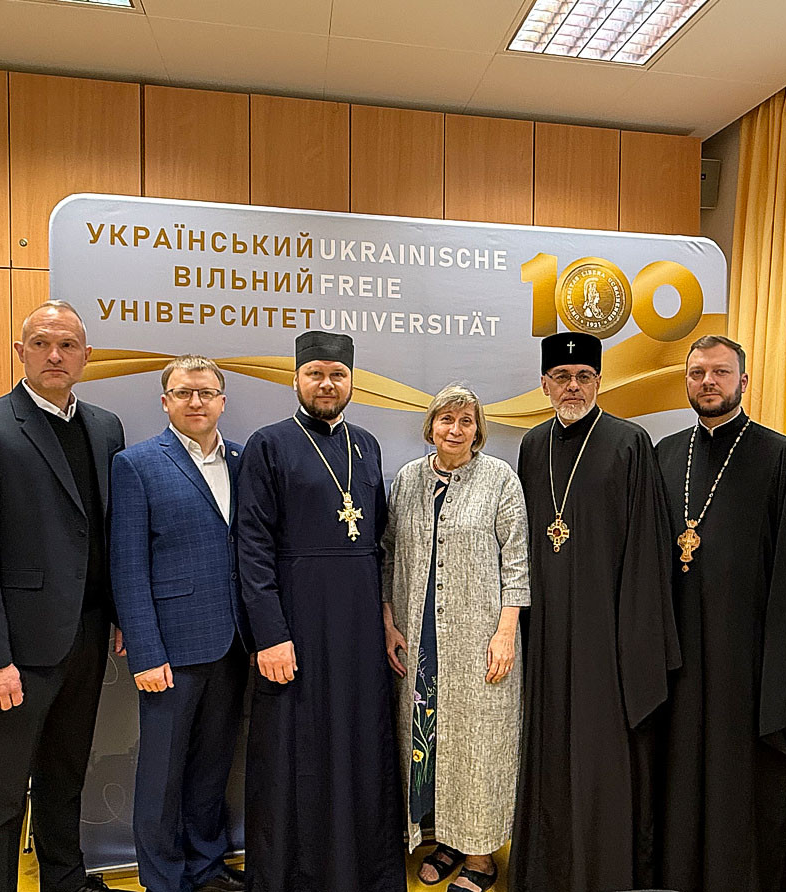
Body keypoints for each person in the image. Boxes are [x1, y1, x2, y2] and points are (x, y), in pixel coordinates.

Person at [0, 300, 125, 892]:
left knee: (65, 782)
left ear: (86, 356)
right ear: (21, 352)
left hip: (87, 637)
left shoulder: (105, 428)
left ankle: (64, 882)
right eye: (41, 343)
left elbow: (106, 532)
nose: (54, 355)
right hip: (14, 650)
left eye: (67, 345)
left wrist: (120, 615)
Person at [652, 334, 786, 892]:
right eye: (697, 372)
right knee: (677, 780)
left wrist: (782, 680)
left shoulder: (781, 457)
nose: (708, 382)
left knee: (744, 792)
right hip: (678, 657)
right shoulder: (664, 455)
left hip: (749, 665)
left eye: (720, 372)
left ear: (744, 381)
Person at [234, 330, 405, 892]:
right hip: (297, 621)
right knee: (295, 749)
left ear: (351, 381)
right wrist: (269, 635)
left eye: (337, 375)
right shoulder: (268, 444)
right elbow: (251, 547)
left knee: (359, 742)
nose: (327, 384)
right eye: (316, 374)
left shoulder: (368, 446)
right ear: (296, 379)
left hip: (358, 625)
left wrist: (385, 620)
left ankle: (360, 872)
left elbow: (380, 544)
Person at [509, 331, 679, 892]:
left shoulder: (630, 442)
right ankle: (548, 870)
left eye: (584, 377)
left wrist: (634, 639)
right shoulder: (532, 445)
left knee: (600, 751)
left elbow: (648, 548)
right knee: (548, 745)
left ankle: (602, 871)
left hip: (607, 630)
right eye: (562, 377)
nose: (573, 387)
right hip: (546, 627)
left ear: (599, 382)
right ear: (544, 384)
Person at [381, 383, 530, 892]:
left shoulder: (500, 479)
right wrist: (388, 620)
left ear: (478, 430)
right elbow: (387, 554)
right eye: (446, 419)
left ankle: (481, 856)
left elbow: (517, 562)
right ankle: (446, 840)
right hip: (420, 640)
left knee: (478, 745)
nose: (456, 429)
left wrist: (506, 632)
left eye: (466, 421)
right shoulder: (408, 480)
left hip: (480, 640)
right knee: (431, 744)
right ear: (431, 426)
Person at [109, 355, 248, 892]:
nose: (196, 402)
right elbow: (128, 565)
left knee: (213, 768)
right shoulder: (137, 464)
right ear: (165, 401)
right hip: (171, 647)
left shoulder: (243, 460)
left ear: (222, 402)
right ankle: (164, 879)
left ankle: (206, 867)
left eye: (206, 393)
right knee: (162, 775)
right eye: (185, 393)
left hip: (232, 643)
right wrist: (146, 652)